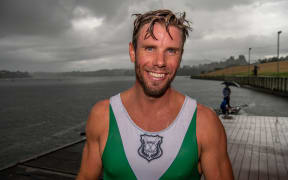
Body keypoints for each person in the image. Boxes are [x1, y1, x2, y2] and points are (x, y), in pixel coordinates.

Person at [77, 9, 234, 180]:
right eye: (150, 48)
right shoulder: (102, 115)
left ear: (181, 56)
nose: (160, 62)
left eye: (171, 51)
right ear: (132, 52)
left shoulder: (205, 123)